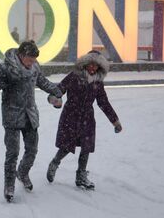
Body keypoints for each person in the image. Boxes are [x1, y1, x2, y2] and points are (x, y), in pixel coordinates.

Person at [0, 40, 62, 202]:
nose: (32, 63)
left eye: (34, 60)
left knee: (32, 150)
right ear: (21, 56)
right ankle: (9, 185)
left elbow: (42, 82)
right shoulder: (5, 69)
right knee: (12, 153)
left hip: (30, 116)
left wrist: (57, 91)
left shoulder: (34, 67)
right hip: (12, 117)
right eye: (30, 60)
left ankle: (22, 172)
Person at [46, 50, 122, 189]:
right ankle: (55, 163)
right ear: (85, 64)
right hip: (71, 115)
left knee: (86, 148)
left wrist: (115, 121)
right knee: (66, 146)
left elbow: (103, 102)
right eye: (90, 65)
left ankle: (81, 176)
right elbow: (59, 90)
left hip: (87, 117)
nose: (92, 68)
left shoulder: (97, 83)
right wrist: (55, 99)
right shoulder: (74, 76)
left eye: (96, 66)